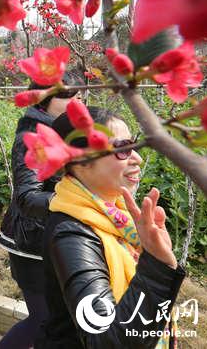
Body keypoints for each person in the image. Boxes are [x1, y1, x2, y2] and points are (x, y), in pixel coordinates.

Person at [36, 106, 185, 348]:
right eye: (121, 149)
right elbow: (106, 340)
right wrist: (157, 269)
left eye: (133, 145)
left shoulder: (116, 214)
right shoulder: (72, 235)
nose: (137, 158)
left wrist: (153, 253)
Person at [0, 71, 85, 349]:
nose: (79, 104)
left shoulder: (64, 131)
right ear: (46, 99)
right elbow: (27, 196)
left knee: (54, 318)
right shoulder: (33, 136)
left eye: (81, 97)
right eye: (72, 97)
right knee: (42, 319)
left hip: (55, 236)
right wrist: (77, 201)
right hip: (31, 242)